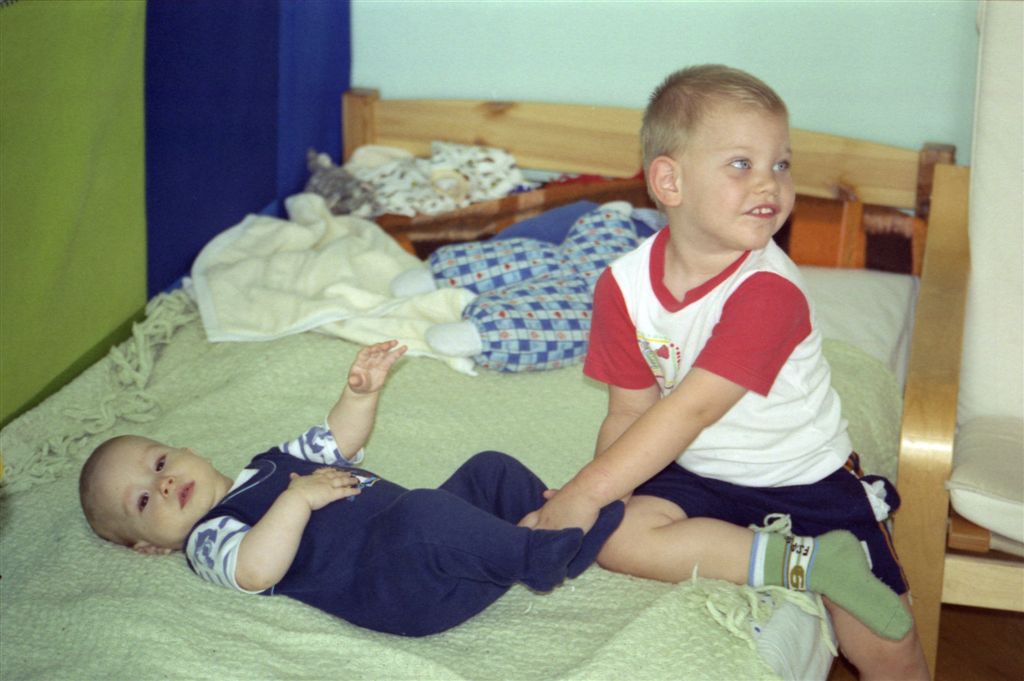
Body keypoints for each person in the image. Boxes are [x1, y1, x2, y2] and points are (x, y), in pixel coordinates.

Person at [519, 65, 929, 679]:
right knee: (618, 539)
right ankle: (808, 563)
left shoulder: (768, 291)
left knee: (886, 645)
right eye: (742, 163)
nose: (770, 183)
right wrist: (605, 498)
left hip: (803, 476)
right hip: (700, 474)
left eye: (781, 164)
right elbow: (629, 410)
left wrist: (584, 492)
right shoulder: (623, 287)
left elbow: (692, 409)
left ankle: (833, 560)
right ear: (670, 181)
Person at [79, 340, 624, 637]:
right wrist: (297, 499)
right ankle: (535, 556)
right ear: (148, 546)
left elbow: (337, 440)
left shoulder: (269, 463)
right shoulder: (206, 539)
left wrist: (360, 395)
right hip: (403, 588)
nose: (164, 482)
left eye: (159, 463)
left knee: (488, 469)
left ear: (186, 449)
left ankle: (558, 529)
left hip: (438, 552)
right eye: (143, 500)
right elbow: (255, 570)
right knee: (424, 514)